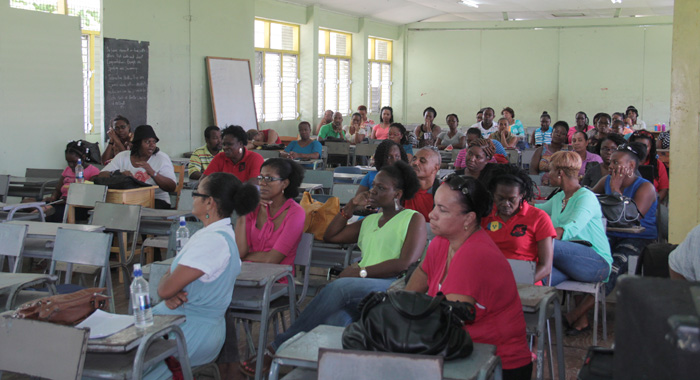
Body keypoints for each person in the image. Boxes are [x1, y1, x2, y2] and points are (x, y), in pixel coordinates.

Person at [239, 161, 427, 378]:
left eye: (381, 188)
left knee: (338, 288)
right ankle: (309, 369)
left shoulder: (412, 218)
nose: (373, 191)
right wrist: (349, 208)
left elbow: (405, 263)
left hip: (392, 286)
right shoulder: (370, 220)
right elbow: (332, 236)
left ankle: (275, 347)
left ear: (398, 193)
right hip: (360, 289)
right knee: (337, 321)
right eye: (373, 186)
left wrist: (360, 273)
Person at [405, 174, 533, 379]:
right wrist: (401, 312)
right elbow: (421, 276)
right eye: (435, 206)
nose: (431, 214)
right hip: (465, 354)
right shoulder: (442, 242)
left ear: (469, 219)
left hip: (497, 366)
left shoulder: (474, 255)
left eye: (442, 210)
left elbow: (450, 324)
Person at [144, 172, 259, 380]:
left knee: (125, 367)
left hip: (190, 331)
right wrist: (171, 285)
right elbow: (171, 282)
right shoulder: (214, 234)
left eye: (196, 193)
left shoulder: (212, 242)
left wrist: (169, 286)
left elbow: (164, 288)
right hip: (187, 323)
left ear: (209, 203)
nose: (192, 197)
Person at [563, 143, 657, 335]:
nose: (611, 165)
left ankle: (576, 314)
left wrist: (615, 190)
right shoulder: (605, 180)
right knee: (578, 258)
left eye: (616, 162)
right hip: (610, 234)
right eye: (611, 161)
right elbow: (587, 197)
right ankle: (581, 319)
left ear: (631, 167)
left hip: (637, 239)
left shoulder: (645, 187)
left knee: (611, 267)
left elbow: (631, 219)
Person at [482, 165, 555, 284]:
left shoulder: (539, 218)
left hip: (524, 284)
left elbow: (545, 267)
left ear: (522, 195)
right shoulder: (485, 215)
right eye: (500, 198)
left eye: (512, 199)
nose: (506, 204)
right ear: (493, 194)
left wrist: (518, 284)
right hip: (489, 281)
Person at [236, 158, 305, 269]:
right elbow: (239, 252)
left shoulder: (296, 213)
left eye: (269, 178)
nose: (262, 183)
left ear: (284, 183)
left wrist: (244, 257)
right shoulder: (254, 207)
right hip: (245, 272)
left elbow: (272, 259)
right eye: (260, 178)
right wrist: (243, 211)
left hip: (276, 279)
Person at [99, 125, 177, 209]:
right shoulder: (123, 156)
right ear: (138, 143)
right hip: (128, 200)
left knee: (131, 211)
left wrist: (153, 173)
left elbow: (171, 187)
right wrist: (117, 174)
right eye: (147, 142)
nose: (152, 145)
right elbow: (101, 175)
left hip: (156, 200)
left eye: (154, 142)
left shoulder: (161, 158)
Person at [43, 141, 101, 222]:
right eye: (68, 162)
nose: (70, 165)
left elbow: (90, 196)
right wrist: (54, 196)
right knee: (28, 203)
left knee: (47, 212)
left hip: (78, 207)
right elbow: (58, 189)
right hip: (62, 202)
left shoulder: (93, 171)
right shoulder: (67, 170)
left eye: (74, 162)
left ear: (83, 157)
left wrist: (68, 200)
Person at [629, 130, 668, 202]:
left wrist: (654, 203)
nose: (641, 149)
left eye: (645, 146)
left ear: (650, 147)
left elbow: (664, 189)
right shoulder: (625, 162)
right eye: (637, 145)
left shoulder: (658, 165)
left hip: (652, 203)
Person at [406, 148, 441, 222]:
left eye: (422, 161)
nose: (415, 163)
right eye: (414, 159)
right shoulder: (402, 188)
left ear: (435, 168)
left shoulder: (444, 192)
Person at [530, 121, 569, 185]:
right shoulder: (541, 150)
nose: (558, 134)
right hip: (541, 185)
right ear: (551, 134)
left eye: (562, 133)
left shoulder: (569, 151)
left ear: (565, 138)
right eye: (556, 132)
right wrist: (538, 183)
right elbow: (533, 169)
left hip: (563, 185)